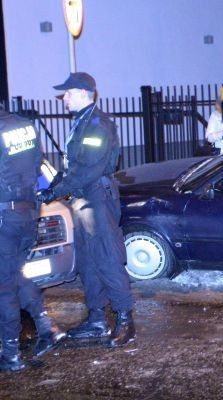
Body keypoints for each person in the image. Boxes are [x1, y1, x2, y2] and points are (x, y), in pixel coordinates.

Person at [38, 72, 135, 348]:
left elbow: (90, 169)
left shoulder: (98, 124)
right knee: (88, 263)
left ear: (82, 92)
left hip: (97, 201)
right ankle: (96, 319)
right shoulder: (82, 122)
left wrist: (54, 191)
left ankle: (126, 320)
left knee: (107, 258)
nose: (64, 98)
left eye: (67, 94)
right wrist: (53, 183)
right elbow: (75, 168)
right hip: (82, 201)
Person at [0, 109, 65, 372]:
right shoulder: (23, 125)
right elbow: (39, 164)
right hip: (29, 212)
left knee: (4, 285)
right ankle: (46, 327)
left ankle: (11, 354)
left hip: (5, 214)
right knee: (16, 274)